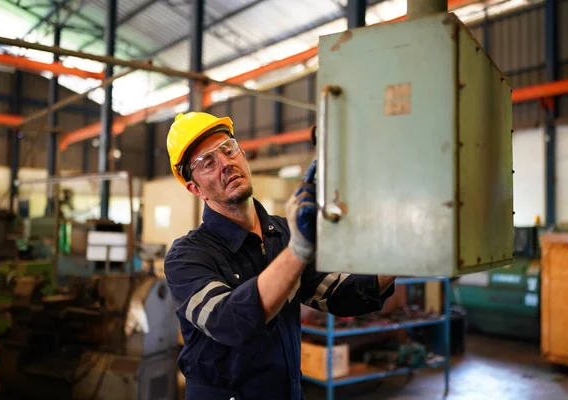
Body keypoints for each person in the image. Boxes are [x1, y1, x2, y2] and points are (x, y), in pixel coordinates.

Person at [164, 111, 396, 400]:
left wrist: (399, 250)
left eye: (228, 149)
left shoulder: (283, 232)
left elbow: (336, 293)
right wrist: (298, 249)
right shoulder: (186, 257)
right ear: (195, 188)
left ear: (243, 155)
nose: (225, 163)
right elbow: (230, 322)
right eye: (207, 163)